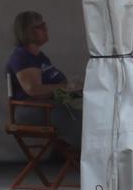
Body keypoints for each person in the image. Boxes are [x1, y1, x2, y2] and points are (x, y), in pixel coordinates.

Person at [6, 10, 82, 148]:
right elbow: (33, 90)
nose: (46, 29)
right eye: (41, 26)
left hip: (48, 106)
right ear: (28, 31)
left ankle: (87, 153)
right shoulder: (22, 57)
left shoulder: (40, 57)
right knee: (79, 116)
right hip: (33, 109)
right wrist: (65, 88)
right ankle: (89, 153)